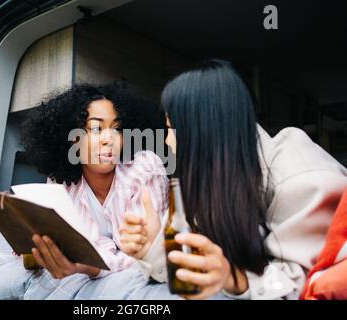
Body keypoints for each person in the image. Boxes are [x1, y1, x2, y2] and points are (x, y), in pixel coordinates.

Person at [120, 59, 347, 300]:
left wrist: (232, 278)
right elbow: (197, 275)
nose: (167, 141)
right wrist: (154, 246)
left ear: (199, 129)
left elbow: (302, 286)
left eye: (170, 129)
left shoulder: (298, 173)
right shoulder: (203, 178)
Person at [0, 82, 172, 299]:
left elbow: (143, 258)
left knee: (46, 280)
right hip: (80, 271)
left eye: (117, 129)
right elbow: (78, 244)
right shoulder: (62, 180)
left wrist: (89, 267)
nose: (109, 139)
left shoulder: (144, 169)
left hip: (123, 274)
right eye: (96, 128)